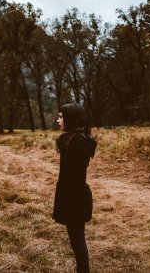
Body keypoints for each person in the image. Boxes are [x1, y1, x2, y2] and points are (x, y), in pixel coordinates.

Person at [54, 102, 97, 273]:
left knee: (78, 242)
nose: (58, 121)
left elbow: (75, 177)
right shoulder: (72, 140)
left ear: (69, 119)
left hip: (75, 199)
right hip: (72, 197)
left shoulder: (76, 143)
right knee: (76, 241)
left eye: (61, 117)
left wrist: (68, 201)